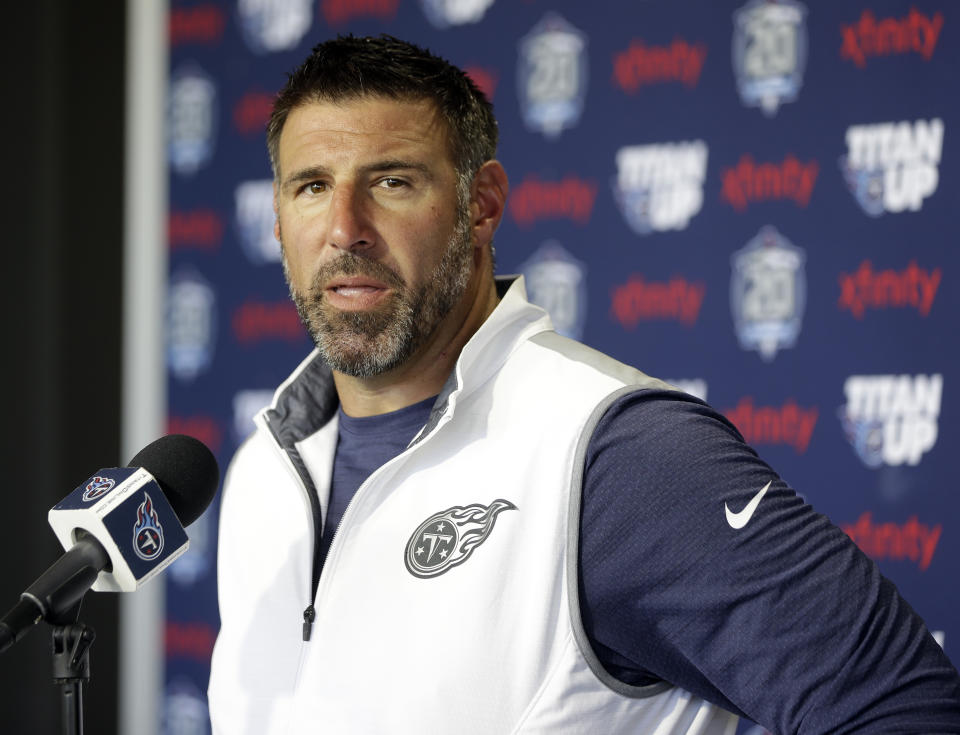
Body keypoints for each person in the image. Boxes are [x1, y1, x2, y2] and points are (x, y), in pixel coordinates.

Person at [208, 35, 960, 734]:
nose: (345, 227)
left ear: (482, 205)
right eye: (311, 186)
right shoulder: (262, 471)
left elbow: (905, 707)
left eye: (393, 181)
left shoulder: (614, 451)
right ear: (277, 216)